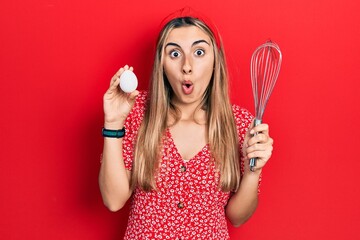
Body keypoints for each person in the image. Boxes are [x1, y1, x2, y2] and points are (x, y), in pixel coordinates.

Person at [99, 7, 274, 240]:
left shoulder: (240, 125)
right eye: (174, 54)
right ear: (161, 64)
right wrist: (113, 123)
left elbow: (237, 217)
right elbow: (113, 200)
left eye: (199, 52)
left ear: (215, 62)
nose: (187, 66)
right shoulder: (136, 111)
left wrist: (254, 171)